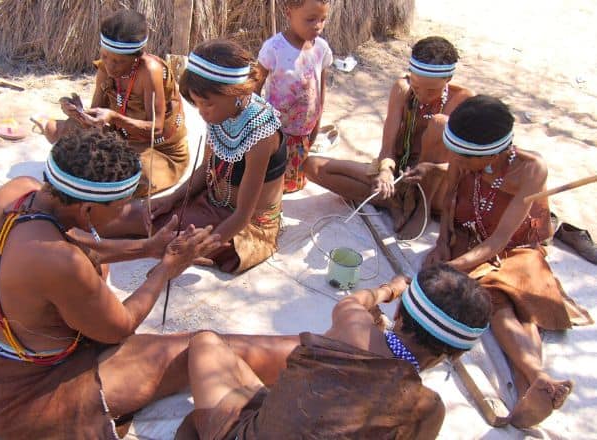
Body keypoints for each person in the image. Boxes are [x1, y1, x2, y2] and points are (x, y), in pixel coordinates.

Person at [0, 130, 299, 439]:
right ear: (87, 210)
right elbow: (119, 328)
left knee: (97, 271)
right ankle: (320, 352)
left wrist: (146, 247)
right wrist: (166, 269)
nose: (125, 215)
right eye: (121, 207)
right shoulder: (60, 263)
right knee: (199, 350)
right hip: (24, 393)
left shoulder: (20, 193)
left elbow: (76, 241)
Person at [423, 95, 593, 428]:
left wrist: (447, 269)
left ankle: (536, 381)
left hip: (515, 246)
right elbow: (450, 196)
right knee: (494, 297)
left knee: (524, 298)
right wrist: (443, 242)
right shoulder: (464, 153)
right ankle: (538, 379)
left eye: (463, 155)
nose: (454, 158)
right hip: (471, 238)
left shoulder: (531, 169)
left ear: (492, 153)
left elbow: (500, 242)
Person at [174, 264, 492, 439]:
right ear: (454, 355)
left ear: (397, 314)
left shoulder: (352, 325)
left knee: (205, 342)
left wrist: (388, 289)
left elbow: (353, 301)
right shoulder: (428, 408)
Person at [103, 39, 287, 274]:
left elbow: (243, 215)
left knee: (174, 241)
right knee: (141, 214)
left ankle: (116, 248)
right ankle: (69, 231)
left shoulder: (261, 135)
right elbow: (205, 169)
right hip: (212, 200)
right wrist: (173, 198)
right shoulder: (222, 113)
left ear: (235, 93)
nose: (202, 113)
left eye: (206, 105)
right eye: (197, 105)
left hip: (247, 225)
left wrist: (194, 250)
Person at [304, 36, 474, 238]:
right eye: (417, 87)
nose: (422, 96)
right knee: (312, 166)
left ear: (448, 80)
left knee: (440, 123)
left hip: (435, 184)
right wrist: (385, 171)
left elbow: (466, 165)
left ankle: (422, 209)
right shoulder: (403, 89)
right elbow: (388, 147)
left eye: (431, 91)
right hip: (400, 175)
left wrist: (430, 170)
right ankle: (394, 202)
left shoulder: (463, 101)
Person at [40, 9, 189, 198]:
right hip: (118, 136)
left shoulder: (150, 72)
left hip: (157, 150)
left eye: (118, 62)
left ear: (137, 57)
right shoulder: (106, 69)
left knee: (128, 178)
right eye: (105, 57)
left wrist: (115, 117)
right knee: (54, 130)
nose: (109, 66)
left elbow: (156, 129)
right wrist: (78, 113)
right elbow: (95, 120)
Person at [255, 0, 333, 193]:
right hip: (275, 129)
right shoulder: (274, 48)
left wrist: (317, 120)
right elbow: (255, 86)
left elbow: (321, 87)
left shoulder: (321, 49)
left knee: (294, 183)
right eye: (310, 19)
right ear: (289, 14)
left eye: (322, 19)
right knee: (271, 181)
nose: (317, 25)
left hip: (304, 130)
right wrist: (255, 123)